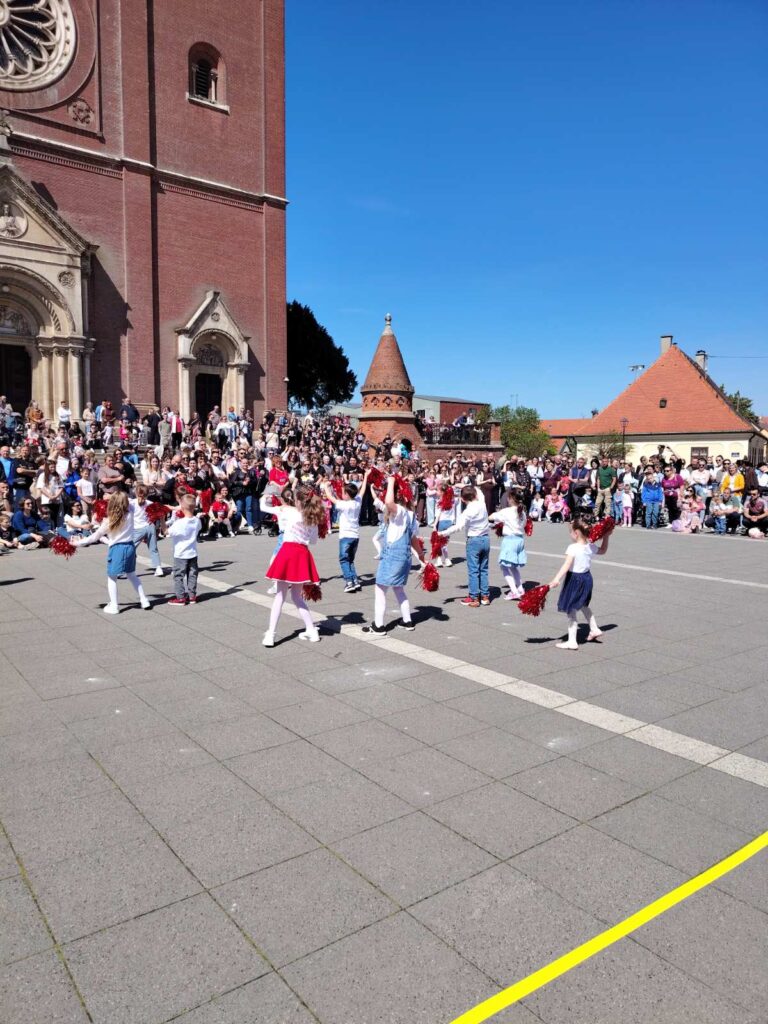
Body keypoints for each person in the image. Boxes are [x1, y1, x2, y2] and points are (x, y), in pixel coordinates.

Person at [263, 483, 326, 646]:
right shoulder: (313, 518)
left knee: (280, 596)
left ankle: (271, 634)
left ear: (297, 500)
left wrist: (266, 495)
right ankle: (311, 630)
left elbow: (265, 507)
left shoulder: (290, 512)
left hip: (288, 552)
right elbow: (313, 541)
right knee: (297, 597)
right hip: (302, 554)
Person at [361, 474, 423, 635]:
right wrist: (422, 557)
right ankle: (407, 621)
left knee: (380, 589)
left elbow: (388, 502)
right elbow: (414, 539)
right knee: (398, 588)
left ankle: (378, 626)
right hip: (405, 557)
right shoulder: (411, 516)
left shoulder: (399, 511)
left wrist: (391, 481)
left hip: (393, 556)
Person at [74, 492, 151, 614]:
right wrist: (118, 497)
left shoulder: (109, 520)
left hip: (117, 549)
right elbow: (131, 500)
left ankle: (114, 606)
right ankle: (144, 600)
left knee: (112, 577)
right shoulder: (131, 511)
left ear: (112, 503)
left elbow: (94, 537)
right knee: (132, 575)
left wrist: (77, 543)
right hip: (130, 547)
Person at [547, 515, 611, 650]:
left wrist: (556, 579)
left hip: (574, 580)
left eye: (570, 531)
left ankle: (572, 641)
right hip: (587, 578)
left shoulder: (572, 548)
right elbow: (603, 550)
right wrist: (606, 536)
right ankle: (594, 628)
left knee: (571, 610)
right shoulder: (590, 546)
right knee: (583, 605)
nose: (570, 534)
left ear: (576, 533)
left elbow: (566, 564)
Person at [439, 484, 491, 607]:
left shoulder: (467, 512)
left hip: (474, 540)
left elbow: (458, 527)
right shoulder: (482, 503)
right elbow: (479, 490)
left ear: (462, 499)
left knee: (473, 570)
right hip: (485, 539)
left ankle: (474, 597)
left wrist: (442, 533)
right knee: (483, 569)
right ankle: (485, 596)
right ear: (475, 494)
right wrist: (464, 485)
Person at [325, 475, 365, 593]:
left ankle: (349, 582)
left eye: (343, 492)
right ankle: (355, 581)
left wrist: (326, 487)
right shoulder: (357, 502)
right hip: (355, 536)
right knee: (350, 560)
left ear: (347, 495)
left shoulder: (344, 504)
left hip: (345, 537)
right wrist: (366, 476)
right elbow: (362, 491)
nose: (342, 494)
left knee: (343, 560)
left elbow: (330, 497)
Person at [488, 488, 527, 600]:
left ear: (510, 499)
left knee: (504, 566)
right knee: (513, 567)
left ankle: (514, 591)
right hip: (520, 539)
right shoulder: (522, 512)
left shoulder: (507, 511)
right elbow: (524, 525)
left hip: (510, 540)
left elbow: (491, 517)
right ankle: (520, 588)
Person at [166, 493, 202, 605]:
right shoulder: (197, 521)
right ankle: (192, 596)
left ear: (181, 506)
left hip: (180, 554)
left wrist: (162, 519)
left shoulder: (179, 523)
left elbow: (166, 532)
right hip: (192, 553)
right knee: (192, 575)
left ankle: (180, 597)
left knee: (178, 575)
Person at [131, 483, 164, 576]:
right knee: (153, 548)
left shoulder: (132, 503)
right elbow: (158, 514)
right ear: (148, 494)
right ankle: (158, 568)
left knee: (130, 548)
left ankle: (128, 569)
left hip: (138, 528)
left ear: (136, 492)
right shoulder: (150, 503)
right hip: (150, 527)